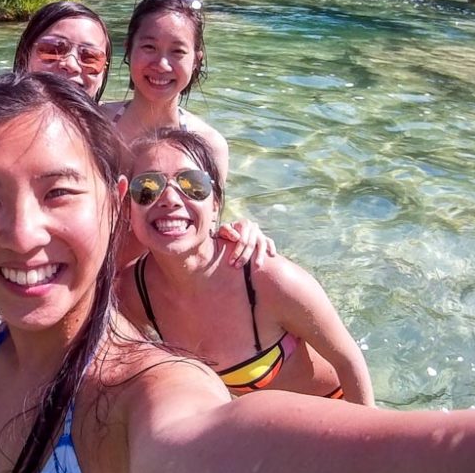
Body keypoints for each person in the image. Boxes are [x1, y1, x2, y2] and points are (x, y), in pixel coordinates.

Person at [0, 71, 475, 473]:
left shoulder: (141, 397)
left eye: (59, 193)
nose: (23, 234)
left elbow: (208, 440)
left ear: (111, 206)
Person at [117, 128, 375, 404]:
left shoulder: (267, 278)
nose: (169, 198)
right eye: (147, 188)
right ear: (126, 206)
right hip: (257, 428)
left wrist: (366, 443)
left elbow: (349, 362)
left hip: (333, 409)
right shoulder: (135, 292)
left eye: (192, 184)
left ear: (215, 204)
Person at [102, 0, 229, 184]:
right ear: (128, 49)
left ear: (196, 60)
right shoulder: (96, 125)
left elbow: (211, 214)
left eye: (177, 51)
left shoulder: (210, 146)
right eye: (149, 47)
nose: (161, 64)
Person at [13, 0, 112, 101]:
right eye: (53, 50)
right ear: (24, 56)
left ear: (104, 72)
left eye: (89, 57)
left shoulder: (116, 116)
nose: (71, 65)